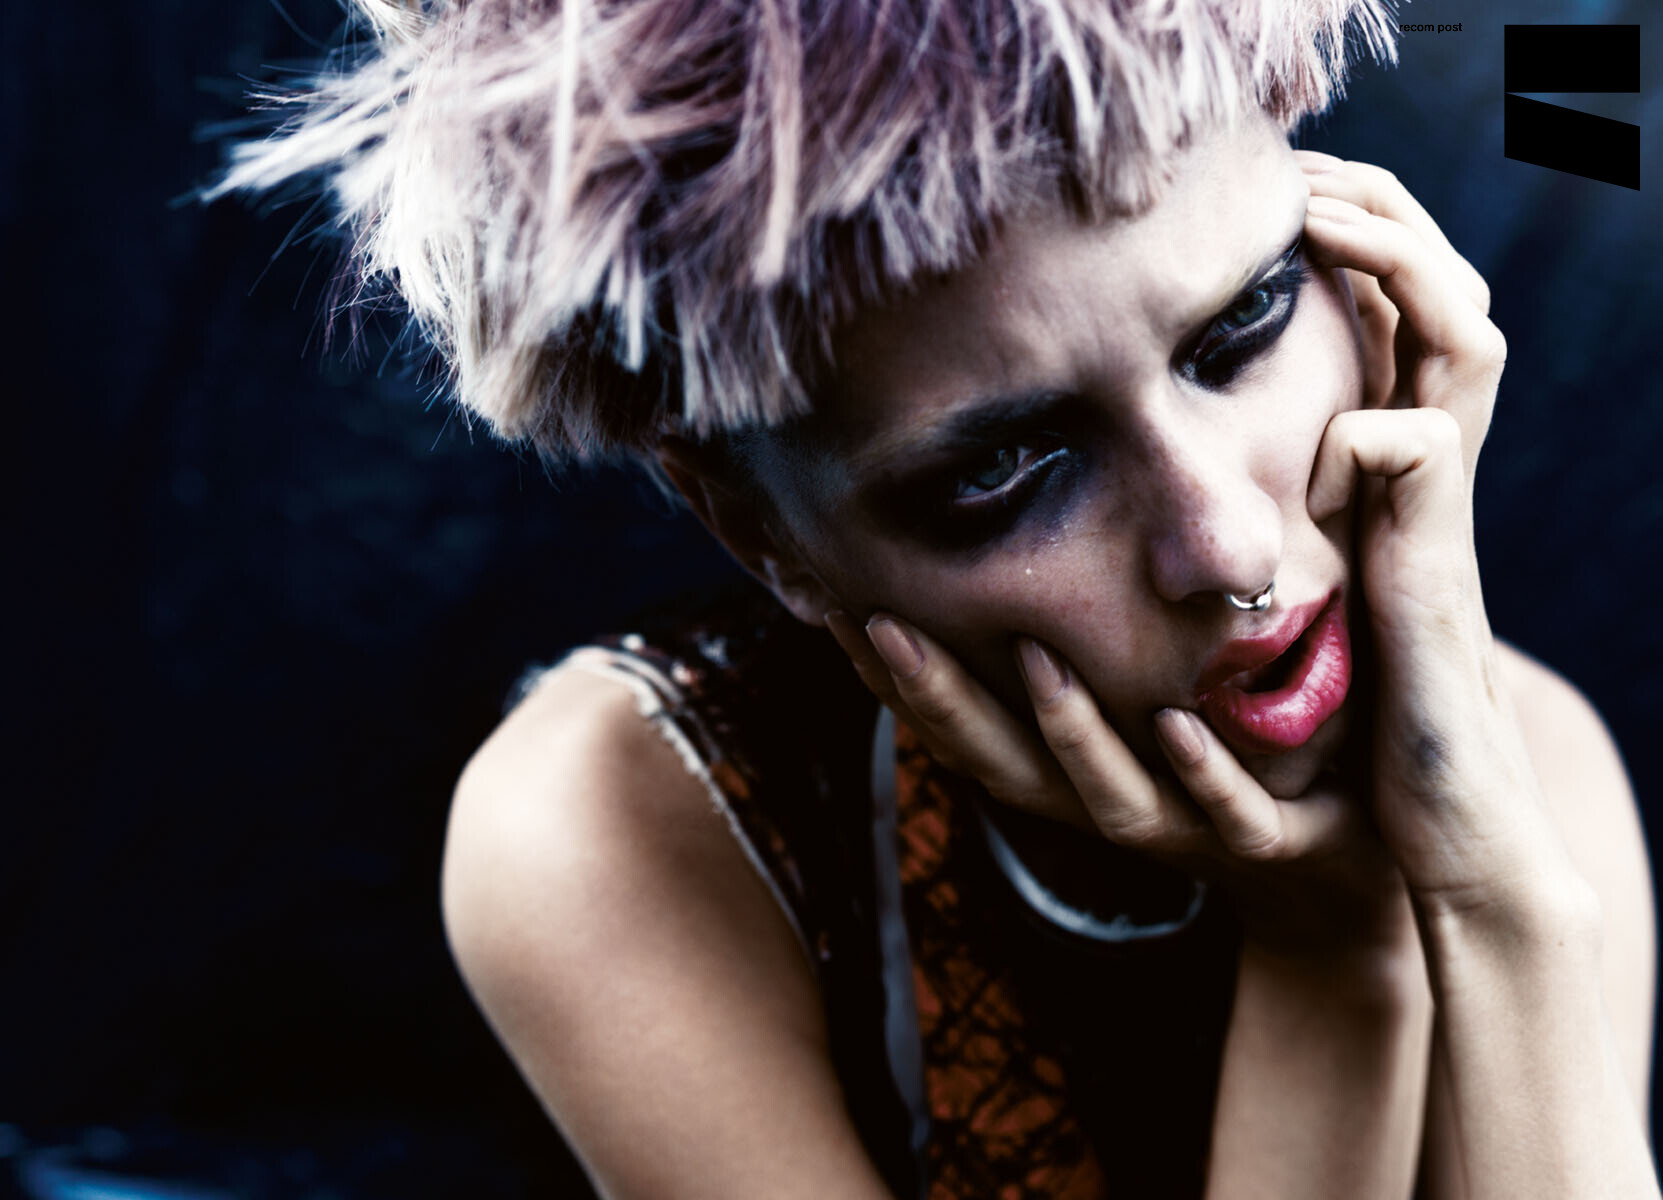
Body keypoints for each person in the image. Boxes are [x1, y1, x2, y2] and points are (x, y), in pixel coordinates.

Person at [212, 0, 1659, 1194]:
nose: (1226, 547)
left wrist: (1498, 910)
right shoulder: (628, 829)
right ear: (758, 530)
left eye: (1245, 326)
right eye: (1006, 470)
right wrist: (1336, 960)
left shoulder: (1514, 779)